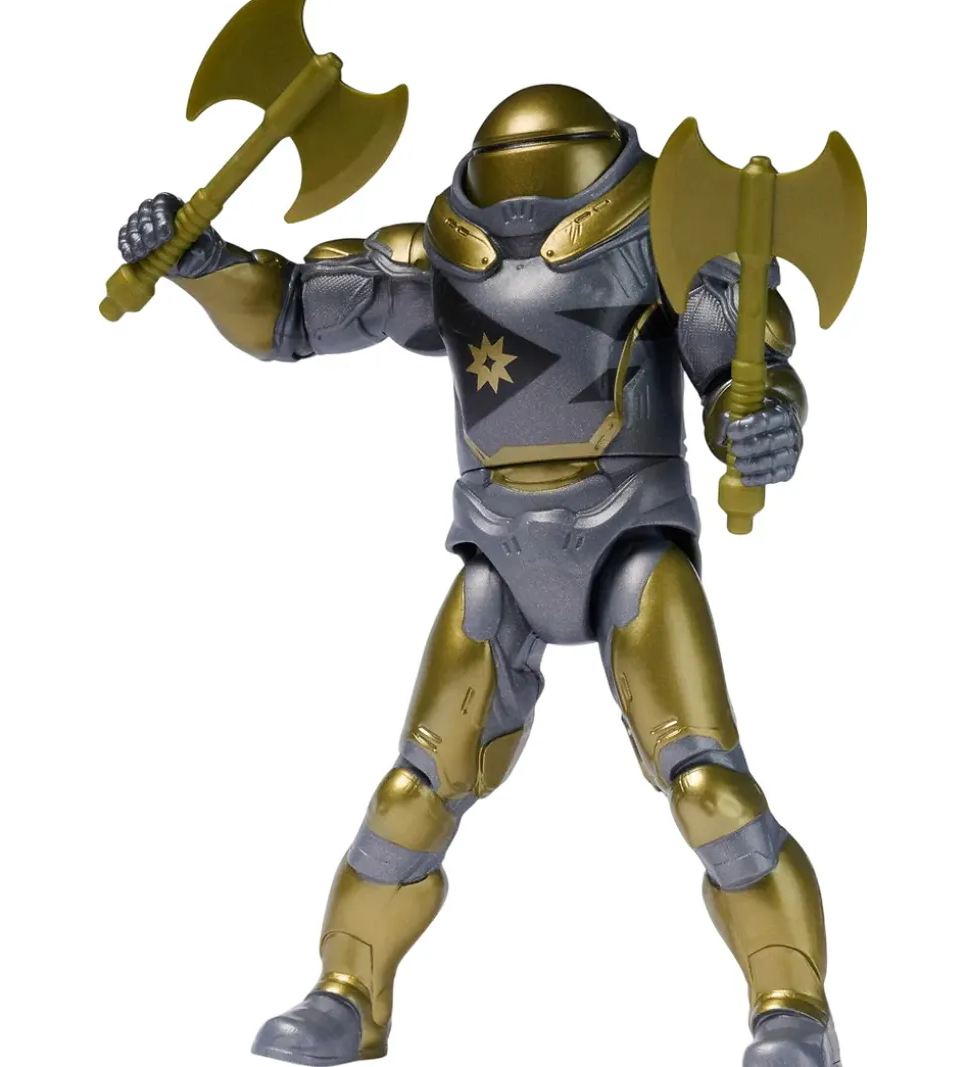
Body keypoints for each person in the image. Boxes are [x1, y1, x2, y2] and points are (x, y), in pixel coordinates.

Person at [116, 84, 838, 1067]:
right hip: (499, 550)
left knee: (707, 783)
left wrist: (760, 421)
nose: (522, 230)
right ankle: (348, 990)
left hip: (631, 539)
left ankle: (792, 1004)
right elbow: (289, 310)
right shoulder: (444, 253)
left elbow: (742, 365)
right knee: (413, 788)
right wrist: (204, 262)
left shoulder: (669, 235)